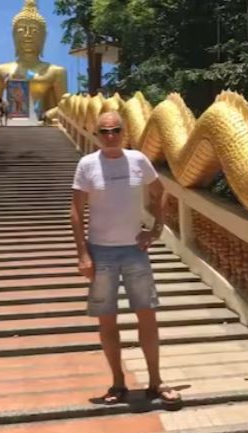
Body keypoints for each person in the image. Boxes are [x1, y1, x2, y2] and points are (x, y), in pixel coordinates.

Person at [70, 111, 181, 406]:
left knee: (147, 315)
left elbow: (160, 192)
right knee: (107, 320)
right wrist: (82, 253)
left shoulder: (138, 160)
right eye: (104, 131)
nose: (110, 136)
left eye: (115, 130)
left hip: (135, 250)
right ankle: (118, 383)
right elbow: (76, 211)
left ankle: (155, 381)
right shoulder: (87, 164)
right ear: (96, 134)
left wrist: (155, 230)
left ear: (124, 132)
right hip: (100, 251)